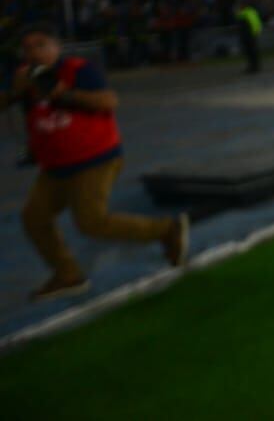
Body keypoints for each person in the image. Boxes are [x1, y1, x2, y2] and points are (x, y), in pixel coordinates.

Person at [4, 23, 188, 301]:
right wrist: (15, 93)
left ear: (57, 47)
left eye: (41, 45)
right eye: (28, 47)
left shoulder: (77, 70)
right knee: (34, 218)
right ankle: (67, 274)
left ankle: (167, 230)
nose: (33, 52)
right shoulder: (24, 78)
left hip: (94, 159)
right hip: (55, 166)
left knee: (91, 221)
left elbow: (107, 101)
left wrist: (62, 93)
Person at [236, 2, 262, 74]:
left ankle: (253, 66)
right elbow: (256, 23)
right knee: (253, 51)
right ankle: (255, 66)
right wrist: (257, 31)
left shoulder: (244, 14)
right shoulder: (252, 12)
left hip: (248, 35)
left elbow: (244, 25)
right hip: (253, 34)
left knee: (250, 52)